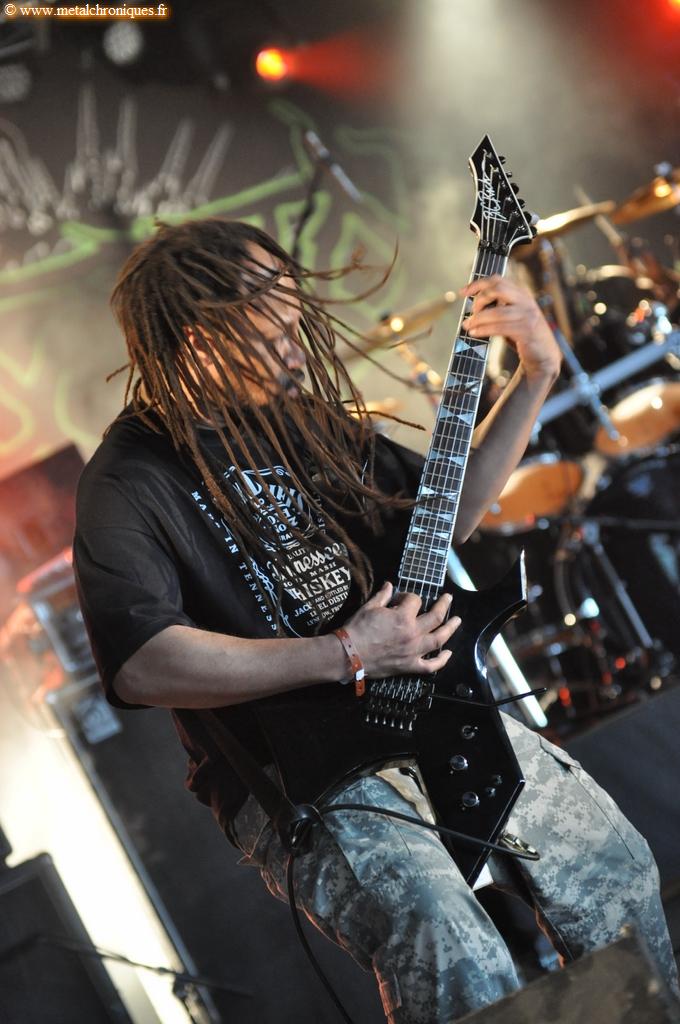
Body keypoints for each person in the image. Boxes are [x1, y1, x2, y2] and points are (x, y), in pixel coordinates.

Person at [74, 218, 678, 1023]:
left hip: (433, 714)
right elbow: (144, 662)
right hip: (307, 773)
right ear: (202, 339)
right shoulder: (128, 481)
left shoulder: (299, 421)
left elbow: (449, 513)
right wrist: (345, 652)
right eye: (275, 335)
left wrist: (537, 374)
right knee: (454, 948)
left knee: (615, 866)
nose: (297, 352)